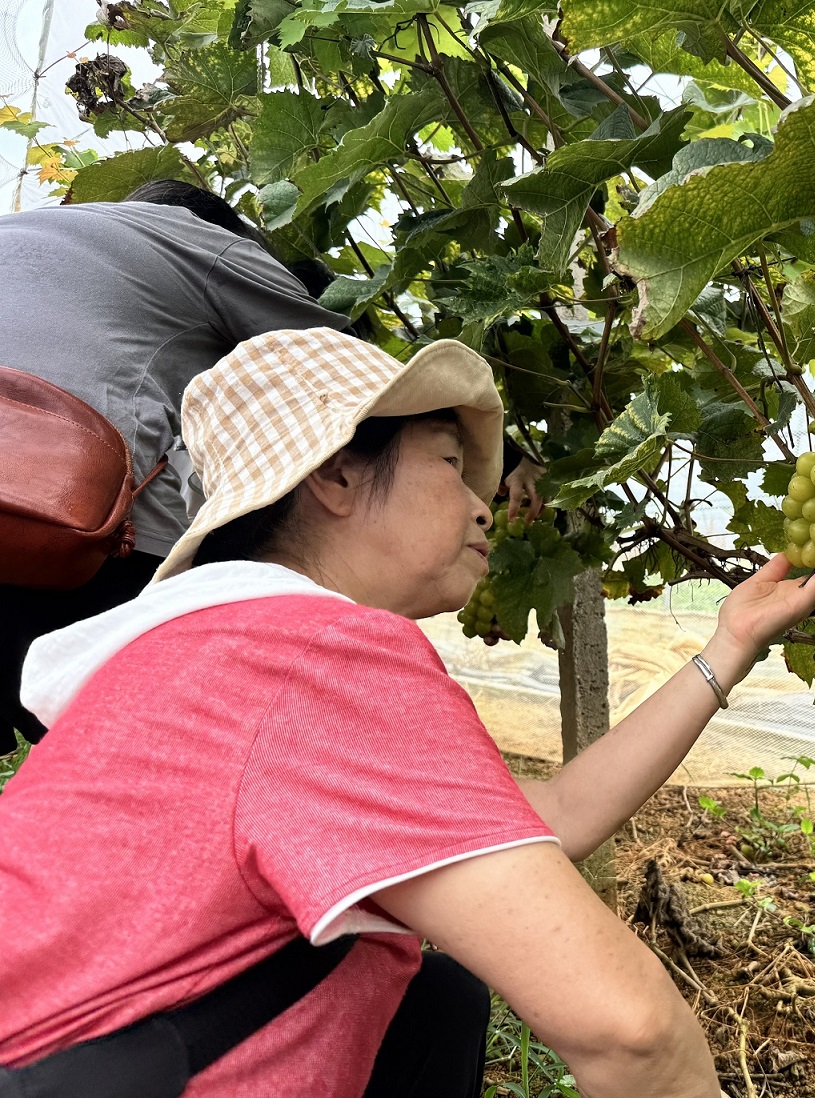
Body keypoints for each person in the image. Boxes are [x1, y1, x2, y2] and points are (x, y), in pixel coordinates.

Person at [0, 327, 815, 1097]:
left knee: (436, 1001)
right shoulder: (311, 653)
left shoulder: (209, 653)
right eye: (450, 465)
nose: (482, 503)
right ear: (337, 474)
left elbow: (544, 822)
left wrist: (728, 646)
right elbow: (632, 1033)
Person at [0, 182, 546, 750]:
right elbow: (349, 382)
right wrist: (506, 460)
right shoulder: (196, 239)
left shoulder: (22, 230)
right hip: (71, 528)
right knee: (149, 743)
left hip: (27, 521)